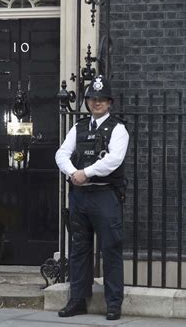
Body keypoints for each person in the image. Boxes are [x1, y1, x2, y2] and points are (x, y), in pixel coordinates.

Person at [55, 75, 129, 321]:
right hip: (80, 196)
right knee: (79, 249)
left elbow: (113, 160)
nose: (96, 103)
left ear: (109, 103)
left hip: (105, 195)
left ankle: (113, 303)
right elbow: (62, 153)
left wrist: (85, 172)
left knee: (110, 249)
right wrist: (73, 173)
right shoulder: (78, 127)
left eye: (101, 99)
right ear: (87, 101)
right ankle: (77, 300)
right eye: (92, 99)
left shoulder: (118, 129)